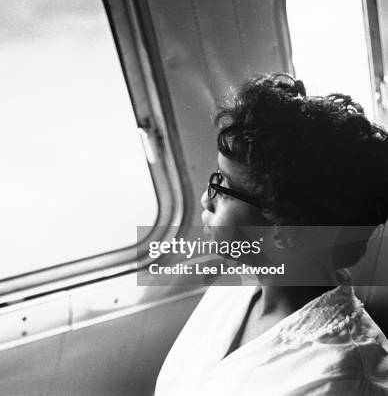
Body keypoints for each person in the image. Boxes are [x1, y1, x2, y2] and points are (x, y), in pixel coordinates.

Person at [154, 73, 388, 395]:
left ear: (286, 230)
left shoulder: (340, 377)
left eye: (223, 187)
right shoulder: (240, 282)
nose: (205, 199)